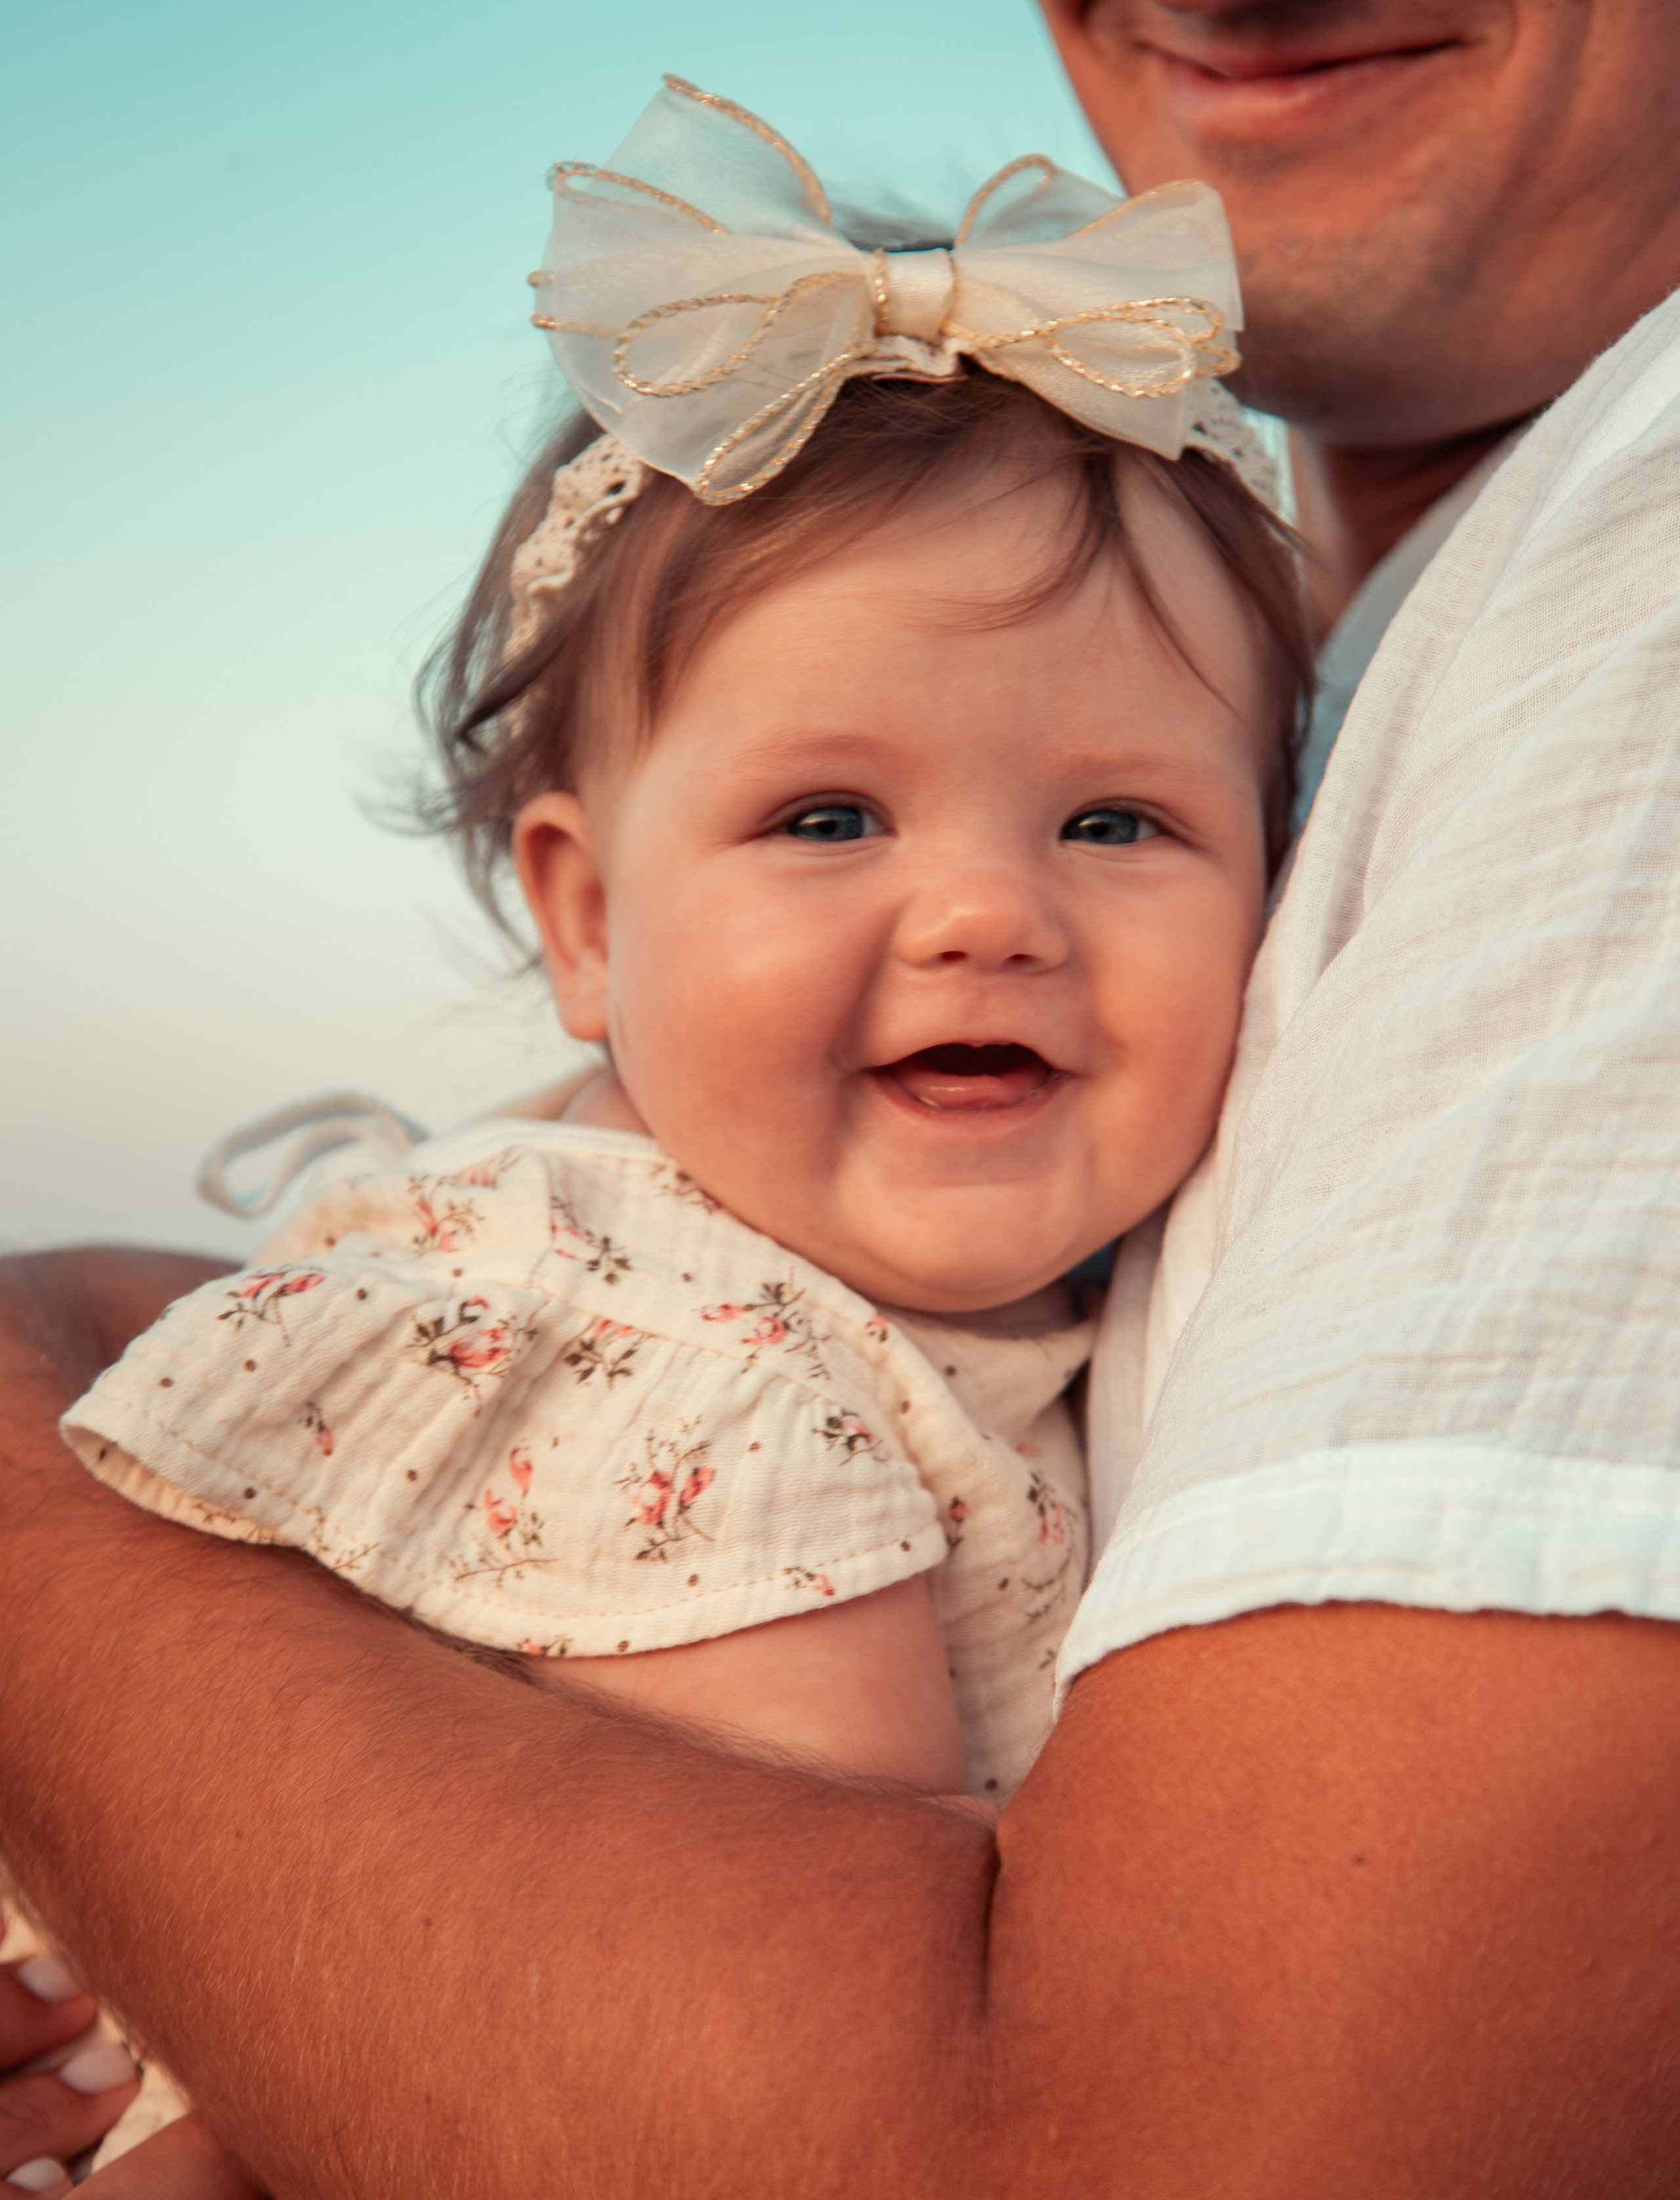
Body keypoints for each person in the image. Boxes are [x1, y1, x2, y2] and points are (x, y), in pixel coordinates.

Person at [7, 2, 1680, 2193]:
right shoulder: (703, 1383)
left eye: (1116, 827)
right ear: (582, 919)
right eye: (823, 822)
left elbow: (906, 2109)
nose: (984, 912)